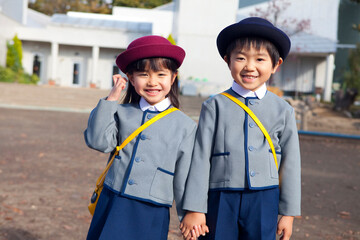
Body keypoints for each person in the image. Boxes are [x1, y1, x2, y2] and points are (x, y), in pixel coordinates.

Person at [180, 17, 301, 240]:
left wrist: (288, 212)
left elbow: (291, 163)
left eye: (260, 59)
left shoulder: (283, 110)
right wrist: (195, 207)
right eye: (241, 58)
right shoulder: (214, 105)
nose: (250, 67)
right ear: (228, 61)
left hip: (265, 199)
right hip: (221, 197)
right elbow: (200, 158)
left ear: (276, 65)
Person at [84, 35, 203, 240]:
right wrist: (112, 98)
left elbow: (185, 176)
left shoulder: (185, 126)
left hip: (151, 210)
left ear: (173, 78)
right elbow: (97, 141)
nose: (152, 82)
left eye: (161, 74)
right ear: (131, 78)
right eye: (143, 74)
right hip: (112, 200)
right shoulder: (120, 112)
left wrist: (189, 213)